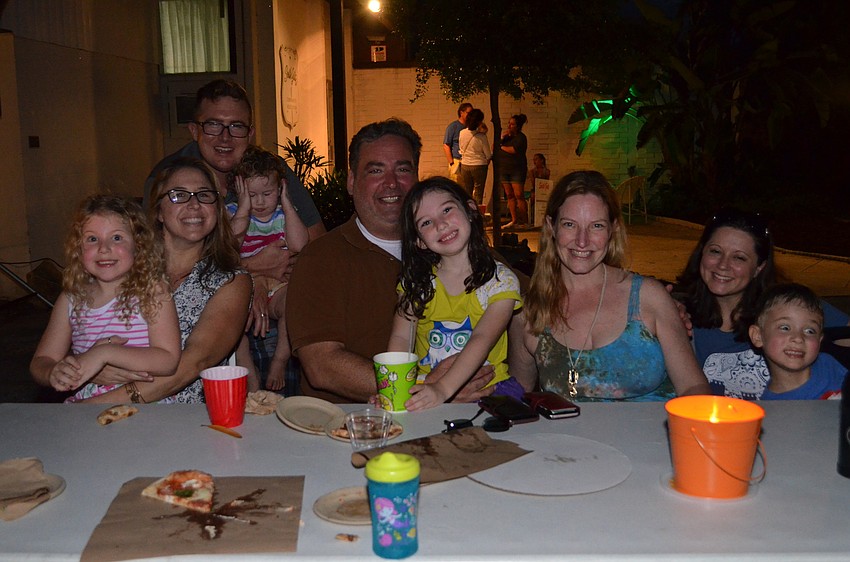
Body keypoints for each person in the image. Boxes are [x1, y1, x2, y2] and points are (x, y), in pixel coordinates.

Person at [287, 118, 497, 403]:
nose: (391, 183)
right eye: (375, 170)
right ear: (351, 181)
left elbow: (535, 305)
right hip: (354, 430)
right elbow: (322, 365)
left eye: (403, 169)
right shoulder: (321, 258)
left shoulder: (458, 244)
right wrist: (429, 387)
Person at [142, 79, 324, 388]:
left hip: (275, 303)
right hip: (198, 310)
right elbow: (161, 264)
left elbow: (316, 243)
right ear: (194, 130)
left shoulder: (271, 172)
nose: (225, 138)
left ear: (251, 133)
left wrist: (275, 280)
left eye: (237, 127)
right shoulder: (173, 178)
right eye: (213, 125)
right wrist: (247, 275)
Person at [509, 171, 711, 401]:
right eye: (569, 224)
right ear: (551, 227)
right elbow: (518, 396)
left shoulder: (648, 297)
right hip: (570, 437)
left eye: (596, 226)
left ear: (612, 229)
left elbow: (694, 388)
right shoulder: (529, 313)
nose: (582, 241)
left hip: (653, 435)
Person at [80, 158, 252, 404]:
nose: (194, 204)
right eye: (179, 195)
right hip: (101, 399)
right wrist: (91, 365)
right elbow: (79, 332)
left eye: (204, 195)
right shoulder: (118, 267)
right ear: (159, 210)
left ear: (217, 208)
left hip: (183, 417)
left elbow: (194, 363)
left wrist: (96, 404)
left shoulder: (231, 281)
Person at [677, 209, 849, 399]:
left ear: (759, 267)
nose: (723, 265)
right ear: (702, 253)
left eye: (739, 257)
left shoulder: (792, 309)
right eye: (715, 251)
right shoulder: (680, 316)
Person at [386, 178, 522, 411]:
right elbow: (401, 339)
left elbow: (481, 339)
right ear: (419, 241)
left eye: (447, 210)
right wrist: (392, 390)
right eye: (426, 222)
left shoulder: (501, 282)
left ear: (470, 210)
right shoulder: (416, 283)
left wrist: (443, 390)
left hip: (492, 389)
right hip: (427, 389)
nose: (441, 225)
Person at [30, 195, 181, 402]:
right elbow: (41, 361)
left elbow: (168, 360)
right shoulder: (72, 299)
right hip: (85, 405)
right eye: (92, 239)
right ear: (78, 248)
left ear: (138, 245)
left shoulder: (153, 292)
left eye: (117, 237)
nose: (104, 248)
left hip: (144, 404)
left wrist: (104, 354)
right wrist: (53, 372)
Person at [226, 146, 308, 392]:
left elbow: (299, 244)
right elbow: (230, 247)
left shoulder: (284, 216)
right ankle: (246, 363)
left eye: (268, 193)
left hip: (281, 285)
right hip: (244, 285)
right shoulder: (234, 214)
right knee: (231, 313)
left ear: (280, 188)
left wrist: (287, 203)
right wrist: (242, 208)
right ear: (240, 192)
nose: (260, 202)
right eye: (251, 194)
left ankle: (280, 361)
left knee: (292, 306)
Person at [751, 283, 846, 400]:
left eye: (810, 331)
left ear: (820, 340)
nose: (798, 338)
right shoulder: (773, 407)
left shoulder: (831, 366)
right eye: (785, 328)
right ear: (758, 336)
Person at [498, 114, 529, 228]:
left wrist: (500, 147)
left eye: (512, 124)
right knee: (509, 195)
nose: (510, 126)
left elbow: (513, 150)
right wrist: (501, 138)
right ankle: (514, 219)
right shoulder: (506, 137)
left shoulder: (521, 137)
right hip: (504, 169)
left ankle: (524, 220)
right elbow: (493, 147)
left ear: (518, 126)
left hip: (517, 169)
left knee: (519, 195)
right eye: (509, 123)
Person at [458, 109, 491, 205]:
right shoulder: (481, 137)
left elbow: (461, 149)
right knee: (478, 193)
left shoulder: (462, 133)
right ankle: (477, 214)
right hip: (479, 165)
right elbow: (488, 154)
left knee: (467, 192)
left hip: (465, 165)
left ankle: (468, 215)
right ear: (479, 121)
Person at [443, 103, 473, 184]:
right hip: (457, 160)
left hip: (468, 161)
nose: (470, 116)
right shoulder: (453, 127)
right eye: (468, 113)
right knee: (456, 184)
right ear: (461, 113)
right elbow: (446, 144)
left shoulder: (471, 127)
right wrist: (451, 162)